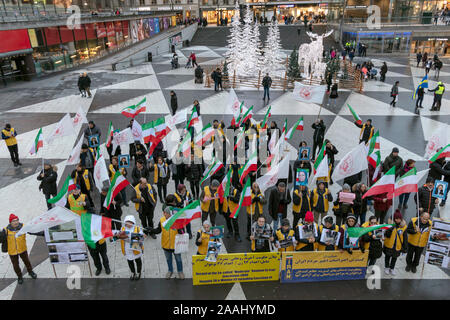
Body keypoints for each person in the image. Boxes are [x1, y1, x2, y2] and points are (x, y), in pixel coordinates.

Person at [1, 214, 37, 284]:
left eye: (17, 220)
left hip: (22, 249)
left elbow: (32, 231)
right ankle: (19, 276)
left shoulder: (23, 227)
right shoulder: (6, 230)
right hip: (12, 252)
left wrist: (44, 234)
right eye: (14, 221)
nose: (16, 222)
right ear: (10, 222)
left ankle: (30, 272)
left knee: (27, 261)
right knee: (15, 265)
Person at [152, 206, 185, 280]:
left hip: (176, 245)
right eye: (166, 213)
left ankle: (180, 271)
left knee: (178, 259)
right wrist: (151, 230)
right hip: (165, 245)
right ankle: (170, 271)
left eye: (168, 214)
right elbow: (158, 230)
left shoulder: (176, 220)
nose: (166, 215)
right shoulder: (161, 220)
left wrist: (180, 229)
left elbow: (183, 232)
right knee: (168, 259)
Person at [115, 215, 144, 280]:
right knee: (130, 261)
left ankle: (139, 272)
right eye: (127, 222)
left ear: (133, 222)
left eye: (130, 222)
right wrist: (117, 236)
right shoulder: (122, 229)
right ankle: (133, 272)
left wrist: (129, 236)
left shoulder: (137, 228)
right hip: (127, 248)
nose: (128, 224)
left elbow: (141, 238)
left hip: (135, 247)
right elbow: (117, 237)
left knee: (138, 261)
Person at [383, 210, 407, 276]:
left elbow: (405, 238)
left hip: (397, 246)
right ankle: (387, 267)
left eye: (399, 219)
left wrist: (405, 248)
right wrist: (390, 229)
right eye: (396, 218)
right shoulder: (389, 225)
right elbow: (386, 235)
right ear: (394, 219)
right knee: (387, 256)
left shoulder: (404, 227)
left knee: (394, 258)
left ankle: (392, 268)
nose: (398, 220)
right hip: (389, 244)